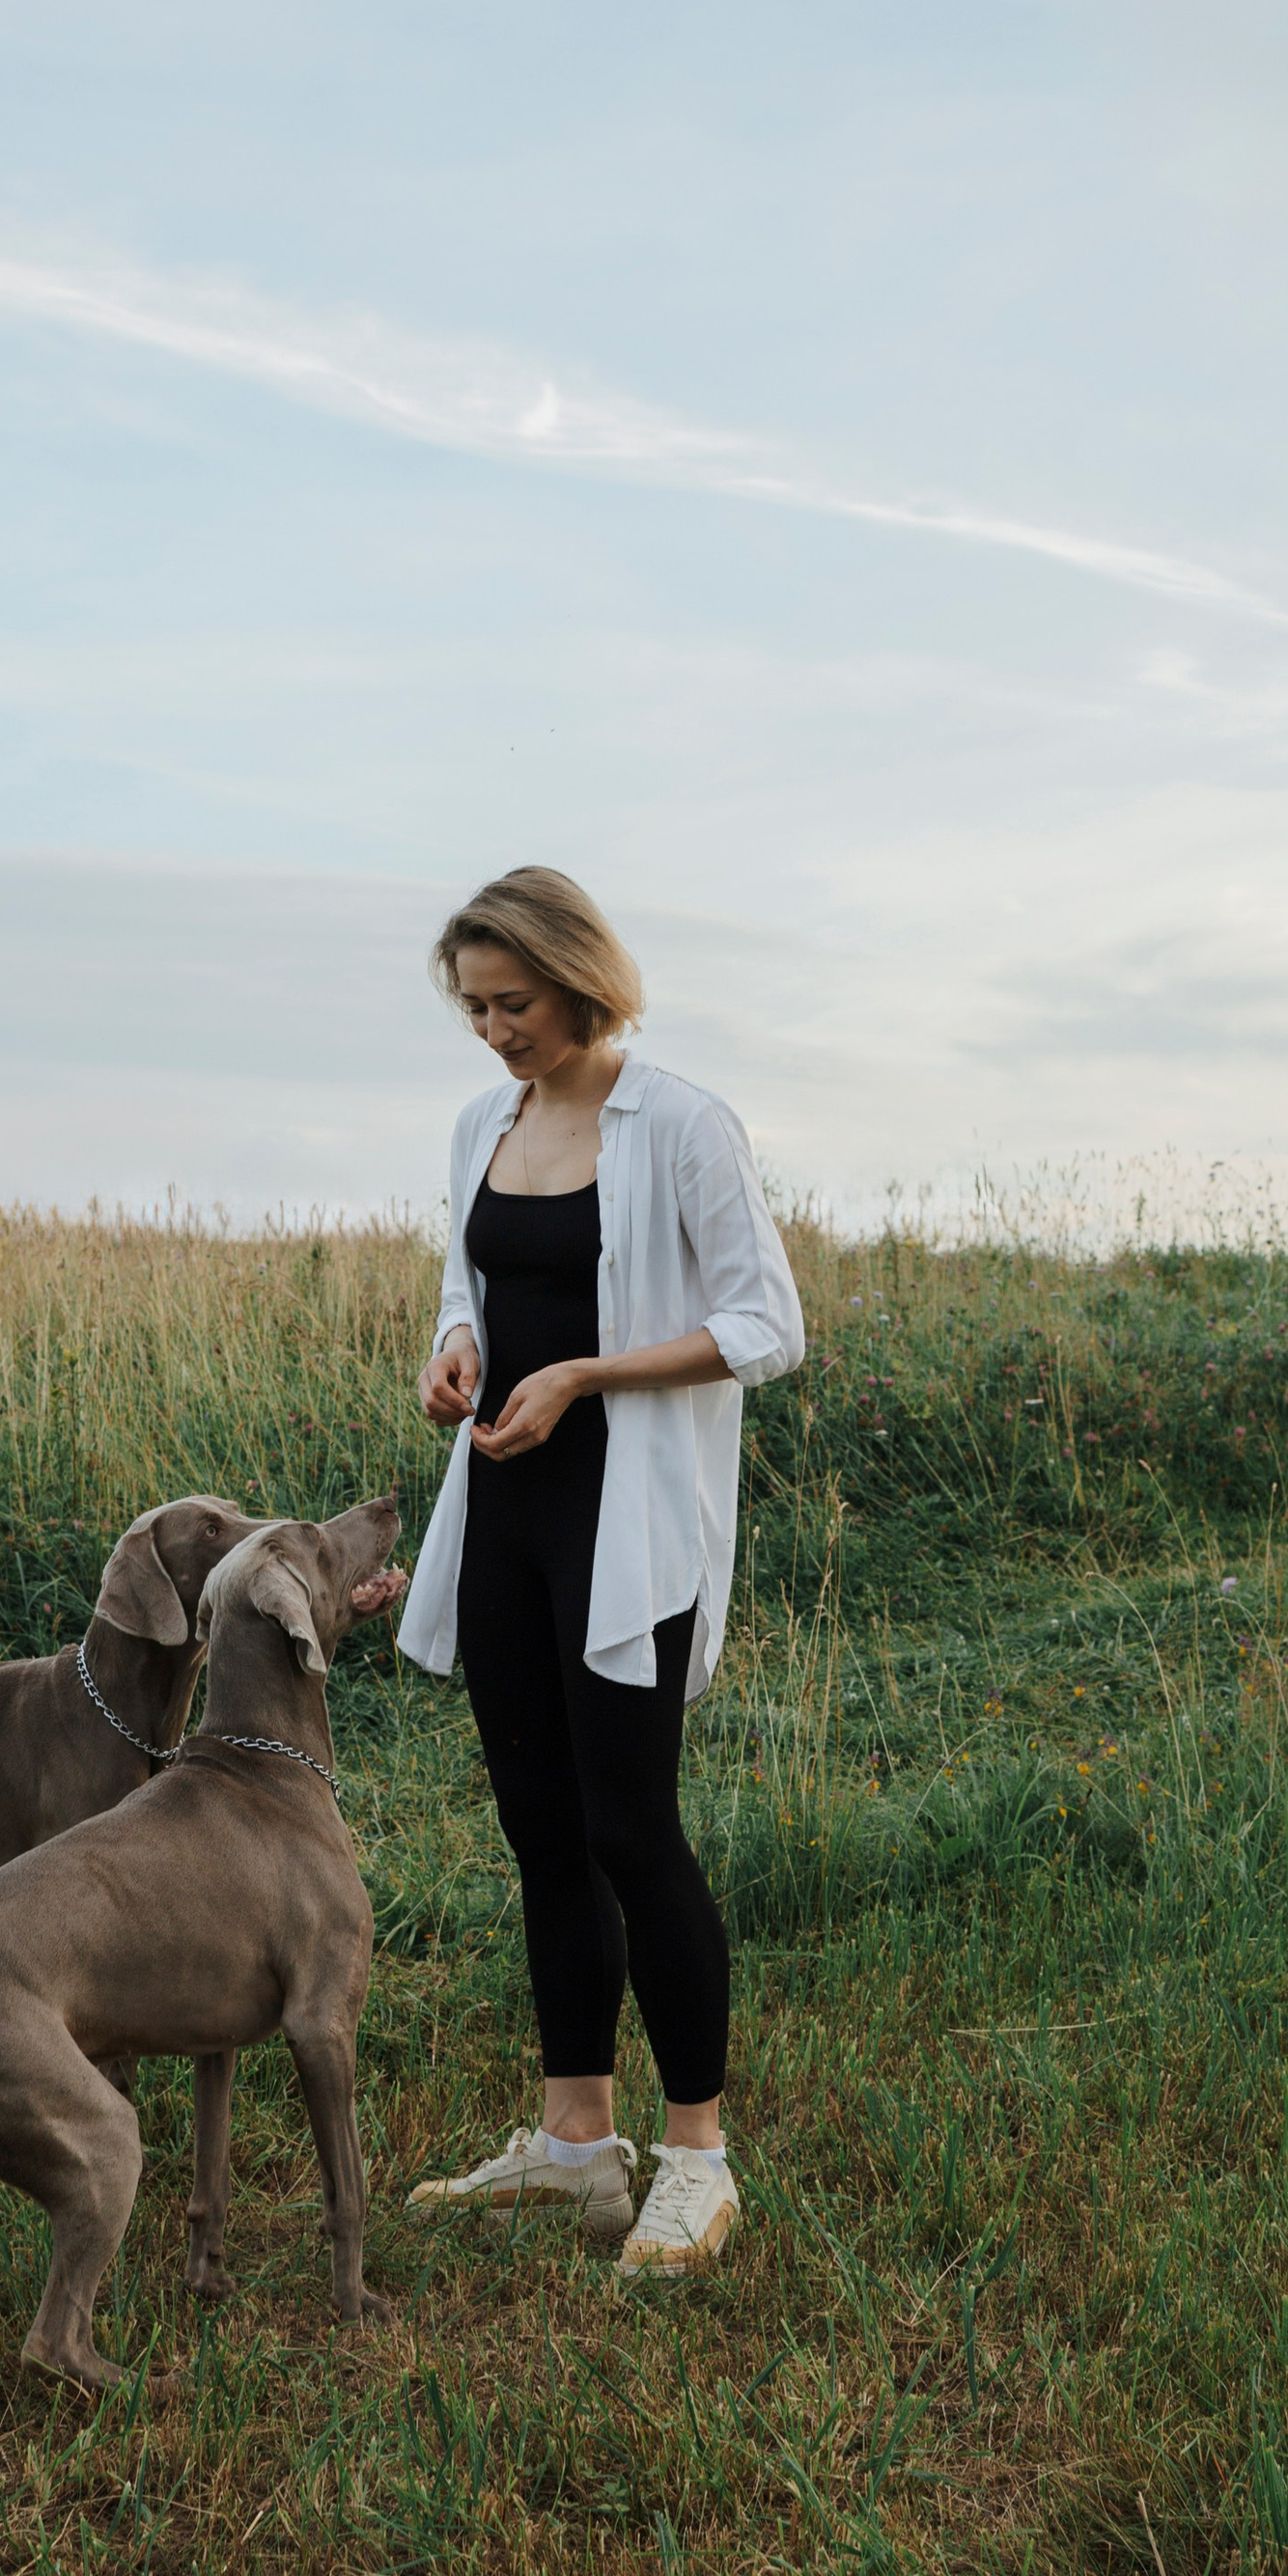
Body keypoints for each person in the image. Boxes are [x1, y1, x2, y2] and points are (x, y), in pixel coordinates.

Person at [397, 866, 804, 2273]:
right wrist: (462, 1353)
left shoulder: (682, 1124)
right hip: (505, 1511)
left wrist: (582, 1376)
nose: (496, 1031)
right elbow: (476, 1281)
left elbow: (767, 1325)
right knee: (540, 1832)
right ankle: (576, 2148)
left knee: (633, 1829)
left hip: (628, 1523)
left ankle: (698, 2158)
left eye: (514, 1003)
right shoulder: (480, 1125)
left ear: (582, 978)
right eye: (476, 1009)